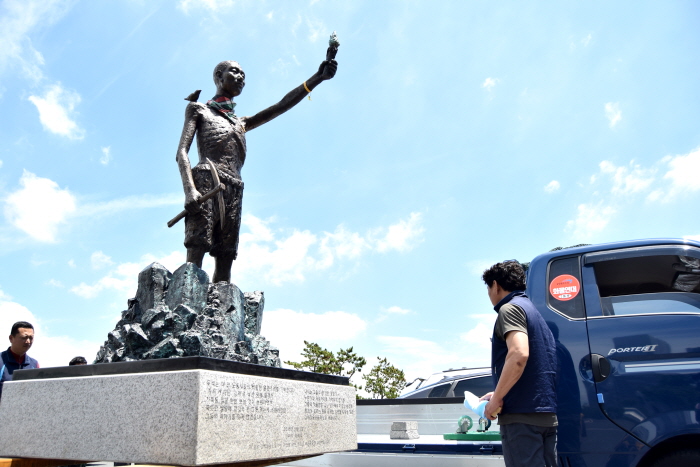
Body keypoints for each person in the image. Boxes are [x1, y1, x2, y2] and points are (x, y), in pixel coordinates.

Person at [176, 56, 337, 283]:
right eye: (235, 72)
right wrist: (189, 190)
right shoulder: (199, 110)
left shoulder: (240, 122)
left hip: (234, 186)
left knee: (226, 255)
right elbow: (182, 151)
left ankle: (221, 310)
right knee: (197, 246)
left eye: (244, 75)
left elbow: (281, 106)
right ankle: (185, 300)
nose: (241, 77)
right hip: (206, 178)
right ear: (218, 77)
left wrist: (317, 78)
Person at [479, 261, 558, 467]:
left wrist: (496, 400)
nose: (489, 294)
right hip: (545, 415)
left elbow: (519, 354)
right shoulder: (535, 314)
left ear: (495, 285)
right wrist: (498, 392)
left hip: (522, 420)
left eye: (488, 288)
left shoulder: (510, 309)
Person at [1, 321, 40, 400]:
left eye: (31, 338)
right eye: (24, 337)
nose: (28, 341)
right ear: (11, 338)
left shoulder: (34, 364)